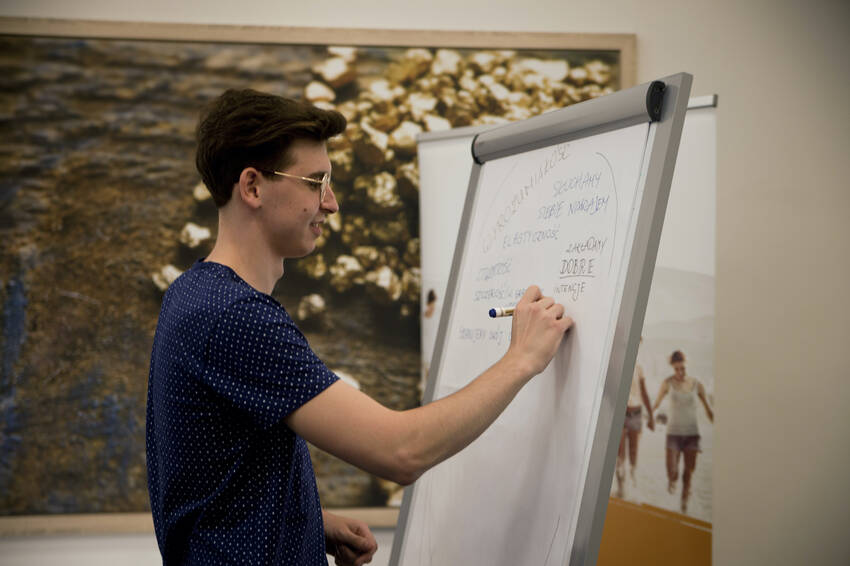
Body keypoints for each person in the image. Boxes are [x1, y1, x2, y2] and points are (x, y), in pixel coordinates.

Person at [145, 89, 573, 566]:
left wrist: (309, 522)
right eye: (315, 182)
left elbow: (206, 476)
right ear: (253, 187)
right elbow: (401, 451)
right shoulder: (236, 317)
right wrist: (522, 359)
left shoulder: (191, 291)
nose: (331, 204)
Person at [652, 350, 713, 514]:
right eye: (676, 369)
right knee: (672, 472)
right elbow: (656, 404)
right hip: (673, 434)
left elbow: (708, 409)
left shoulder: (697, 384)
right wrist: (650, 417)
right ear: (672, 367)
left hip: (692, 434)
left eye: (683, 368)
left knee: (688, 474)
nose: (680, 372)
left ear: (687, 365)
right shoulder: (667, 383)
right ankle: (672, 480)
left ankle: (684, 506)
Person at [614, 337, 654, 498]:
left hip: (636, 414)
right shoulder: (618, 364)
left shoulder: (639, 368)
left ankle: (631, 483)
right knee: (619, 454)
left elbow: (644, 393)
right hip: (620, 415)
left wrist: (651, 416)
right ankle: (621, 488)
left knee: (633, 453)